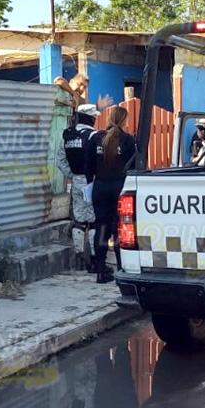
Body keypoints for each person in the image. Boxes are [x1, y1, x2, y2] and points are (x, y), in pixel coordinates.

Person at [84, 106, 137, 284]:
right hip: (120, 188)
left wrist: (91, 184)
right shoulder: (128, 140)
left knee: (102, 228)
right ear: (124, 120)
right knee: (121, 229)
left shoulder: (96, 138)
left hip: (100, 187)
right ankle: (122, 270)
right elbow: (135, 166)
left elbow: (88, 167)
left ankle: (100, 270)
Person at [57, 104, 100, 273]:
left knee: (79, 221)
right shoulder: (94, 136)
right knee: (94, 221)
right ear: (90, 118)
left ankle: (79, 257)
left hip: (76, 182)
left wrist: (73, 175)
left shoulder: (68, 136)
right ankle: (95, 259)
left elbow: (59, 160)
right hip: (92, 182)